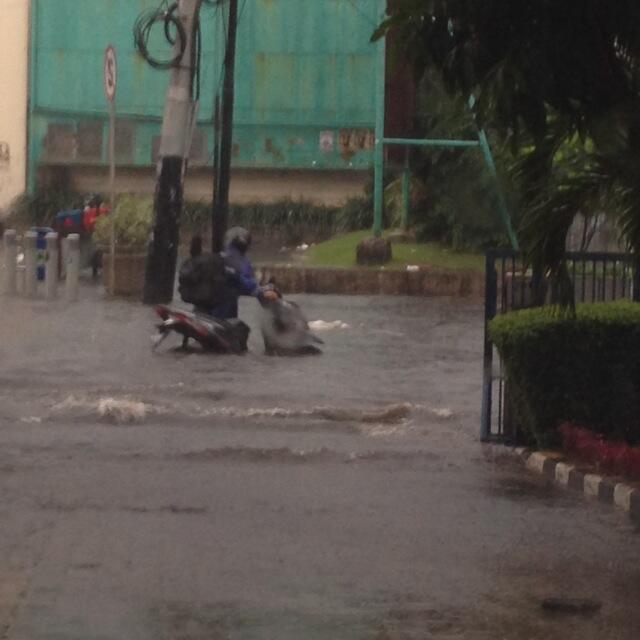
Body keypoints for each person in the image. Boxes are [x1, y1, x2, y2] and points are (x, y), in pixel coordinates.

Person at [210, 226, 278, 319]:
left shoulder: (219, 256)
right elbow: (244, 281)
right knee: (239, 329)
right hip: (222, 313)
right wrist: (260, 291)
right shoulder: (239, 260)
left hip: (202, 310)